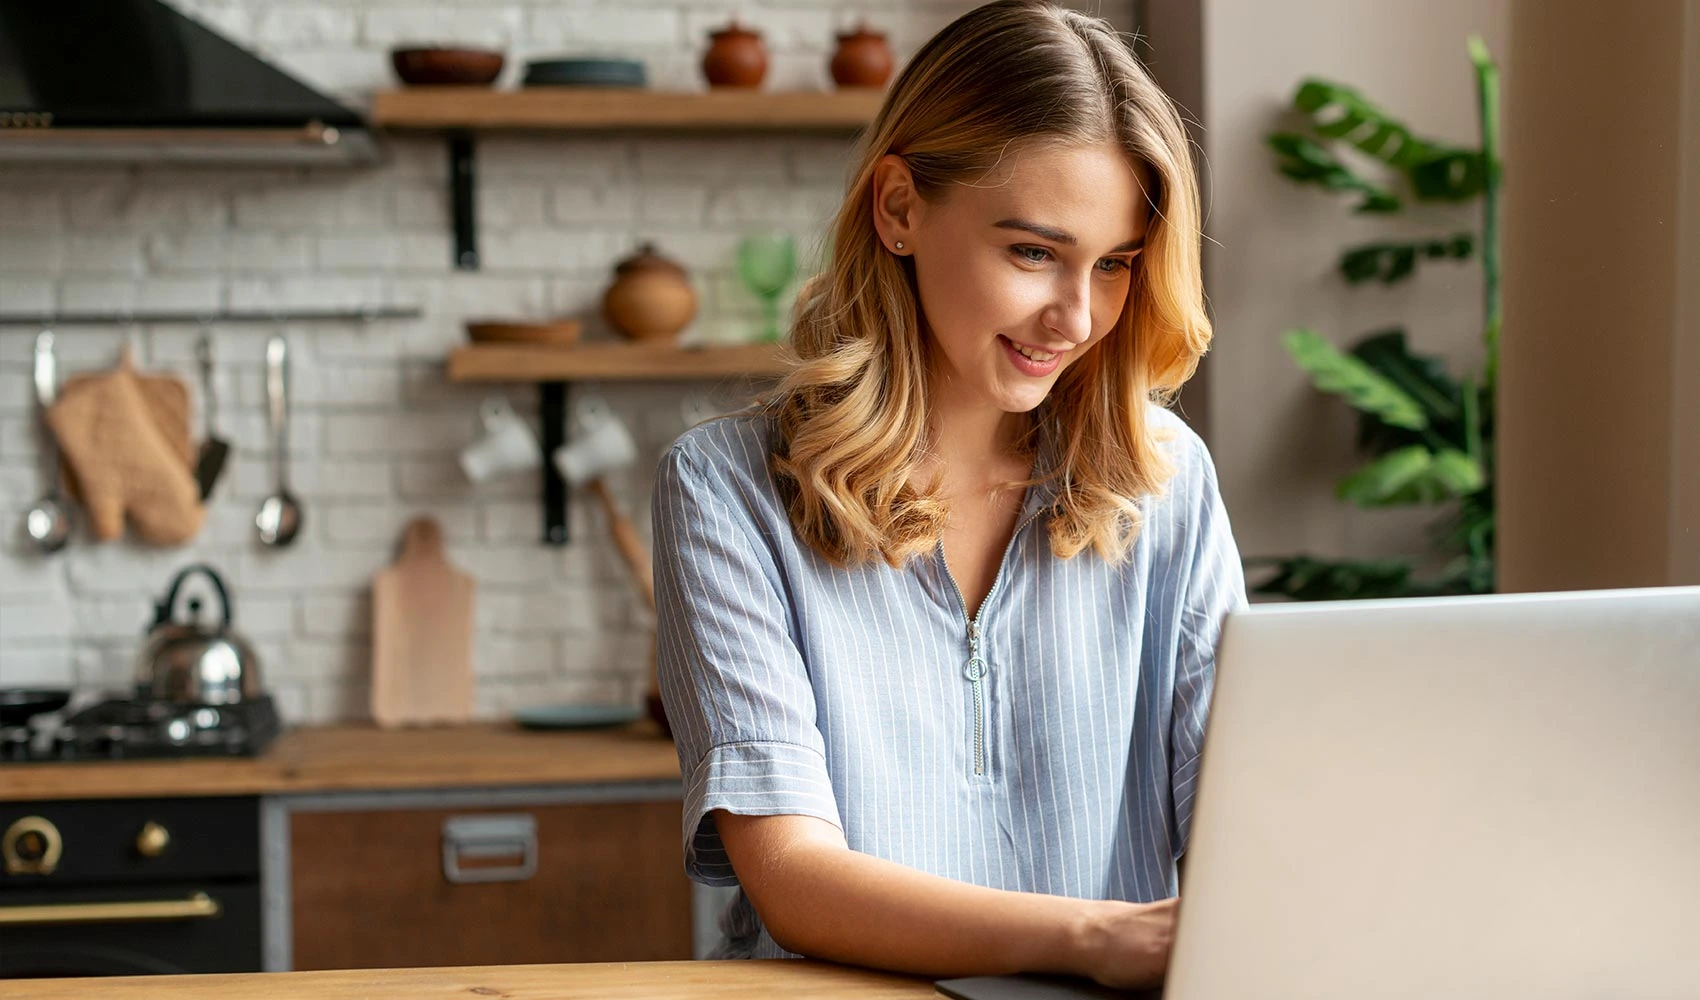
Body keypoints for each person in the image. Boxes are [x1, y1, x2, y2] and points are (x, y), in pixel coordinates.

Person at [652, 0, 1246, 989]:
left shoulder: (1164, 482)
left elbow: (1244, 828)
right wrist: (1092, 940)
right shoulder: (726, 491)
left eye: (1113, 266)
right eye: (1031, 252)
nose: (1074, 315)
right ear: (897, 209)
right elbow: (792, 879)